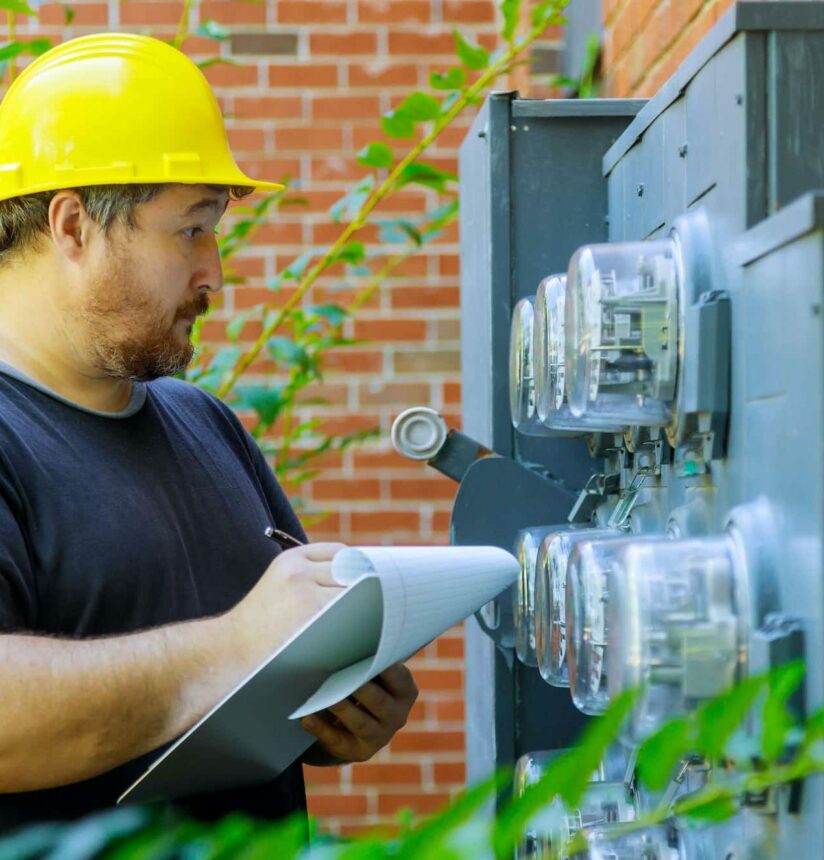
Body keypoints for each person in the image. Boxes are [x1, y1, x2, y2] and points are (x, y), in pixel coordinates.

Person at [0, 33, 418, 829]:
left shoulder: (205, 423)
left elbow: (269, 658)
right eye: (191, 228)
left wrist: (337, 705)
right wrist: (231, 646)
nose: (214, 273)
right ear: (72, 225)